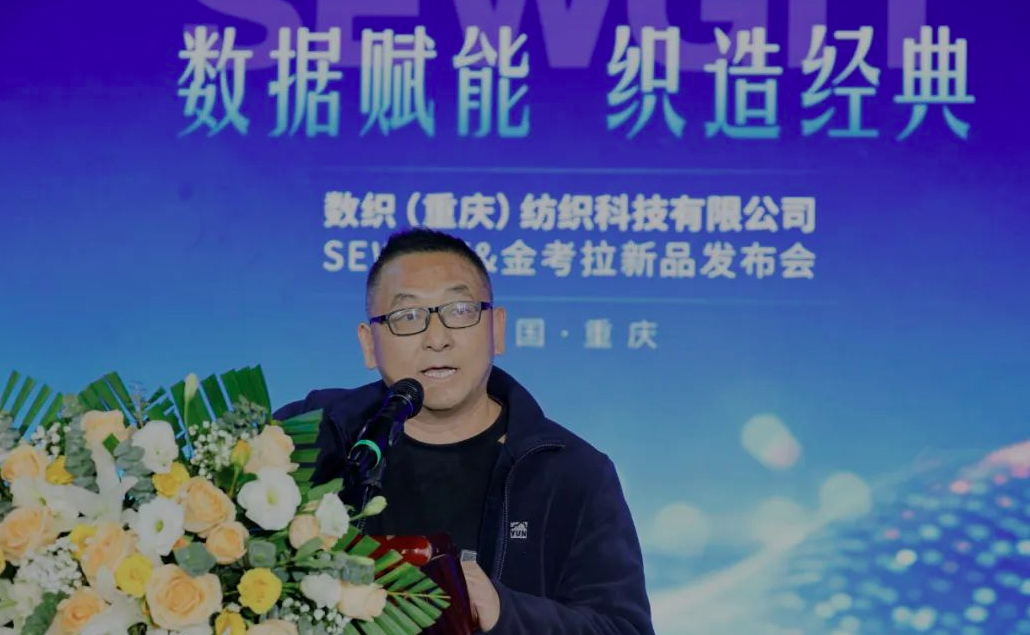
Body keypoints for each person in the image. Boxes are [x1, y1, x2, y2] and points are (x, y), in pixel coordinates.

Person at [274, 228, 654, 635]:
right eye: (408, 316)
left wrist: (503, 612)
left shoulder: (573, 474)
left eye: (459, 310)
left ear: (497, 328)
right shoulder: (306, 439)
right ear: (369, 344)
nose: (437, 339)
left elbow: (624, 628)